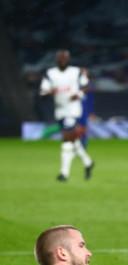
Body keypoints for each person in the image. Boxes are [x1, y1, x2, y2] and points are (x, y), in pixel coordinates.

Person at [40, 50, 94, 181]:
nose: (63, 60)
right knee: (73, 139)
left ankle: (64, 174)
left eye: (65, 58)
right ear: (57, 59)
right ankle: (88, 162)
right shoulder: (50, 73)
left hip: (73, 110)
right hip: (60, 110)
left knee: (66, 140)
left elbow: (86, 85)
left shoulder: (75, 72)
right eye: (61, 58)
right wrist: (49, 93)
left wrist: (79, 94)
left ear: (68, 59)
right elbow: (42, 92)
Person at [78, 67, 96, 150]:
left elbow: (90, 100)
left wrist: (91, 112)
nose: (84, 75)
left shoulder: (88, 85)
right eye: (83, 73)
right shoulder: (74, 84)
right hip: (74, 109)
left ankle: (83, 147)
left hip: (84, 109)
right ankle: (75, 146)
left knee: (84, 128)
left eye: (86, 74)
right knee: (75, 128)